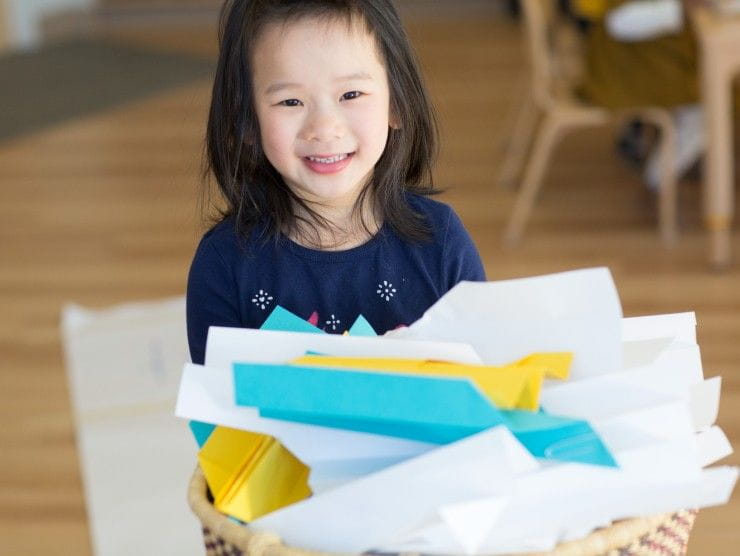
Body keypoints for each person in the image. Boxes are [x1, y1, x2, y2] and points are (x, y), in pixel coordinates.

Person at [186, 0, 485, 365]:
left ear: (397, 102)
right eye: (290, 101)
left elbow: (482, 381)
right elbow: (217, 407)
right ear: (246, 121)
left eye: (351, 95)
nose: (325, 128)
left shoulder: (441, 242)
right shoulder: (224, 263)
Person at [568, 0, 704, 189]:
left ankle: (670, 161)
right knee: (713, 98)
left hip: (643, 54)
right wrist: (683, 8)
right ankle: (660, 175)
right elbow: (619, 22)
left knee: (710, 84)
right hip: (624, 66)